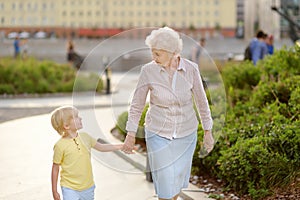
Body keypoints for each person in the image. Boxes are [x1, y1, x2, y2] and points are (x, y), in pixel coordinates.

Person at [122, 27, 214, 200]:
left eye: (157, 54)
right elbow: (137, 104)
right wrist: (130, 133)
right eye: (152, 53)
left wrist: (208, 132)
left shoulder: (191, 69)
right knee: (165, 180)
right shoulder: (148, 71)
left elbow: (202, 102)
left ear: (172, 53)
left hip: (186, 134)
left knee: (176, 182)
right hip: (157, 132)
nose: (153, 58)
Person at [50, 106, 124, 200]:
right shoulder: (60, 145)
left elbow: (101, 147)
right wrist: (54, 191)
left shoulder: (85, 137)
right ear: (66, 126)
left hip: (88, 187)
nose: (80, 118)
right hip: (69, 187)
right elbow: (55, 168)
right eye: (76, 117)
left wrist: (121, 146)